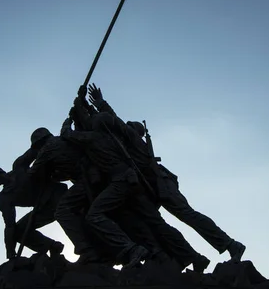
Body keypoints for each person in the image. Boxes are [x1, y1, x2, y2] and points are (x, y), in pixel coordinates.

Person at [87, 83, 247, 262]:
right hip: (153, 186)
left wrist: (100, 104)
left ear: (135, 131)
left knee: (187, 214)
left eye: (130, 125)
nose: (127, 126)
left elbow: (114, 121)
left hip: (162, 183)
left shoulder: (132, 138)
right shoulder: (129, 142)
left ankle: (231, 245)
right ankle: (191, 255)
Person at [0, 127, 67, 260]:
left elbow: (37, 149)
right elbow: (10, 226)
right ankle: (51, 246)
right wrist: (10, 251)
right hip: (43, 208)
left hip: (56, 194)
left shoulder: (19, 166)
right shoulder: (4, 198)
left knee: (68, 214)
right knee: (19, 231)